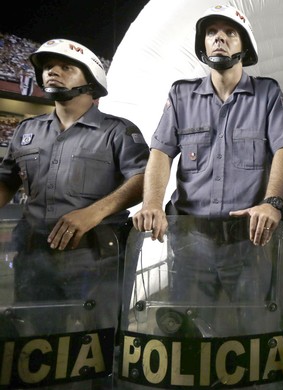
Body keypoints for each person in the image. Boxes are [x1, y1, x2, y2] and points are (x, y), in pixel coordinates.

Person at [132, 5, 283, 336]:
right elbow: (161, 152)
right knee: (190, 329)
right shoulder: (181, 95)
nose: (219, 38)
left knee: (256, 330)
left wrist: (273, 202)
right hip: (191, 240)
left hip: (249, 241)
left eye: (230, 33)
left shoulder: (267, 93)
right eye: (211, 33)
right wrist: (153, 203)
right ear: (203, 45)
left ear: (245, 47)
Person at [0, 38, 149, 383]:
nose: (52, 70)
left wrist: (94, 212)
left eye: (66, 66)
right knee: (33, 342)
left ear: (91, 78)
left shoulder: (118, 131)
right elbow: (7, 179)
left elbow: (143, 178)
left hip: (96, 259)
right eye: (48, 66)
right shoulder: (26, 131)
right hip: (33, 256)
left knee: (98, 343)